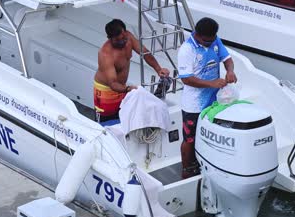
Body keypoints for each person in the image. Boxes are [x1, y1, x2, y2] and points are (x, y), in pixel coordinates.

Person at [177, 17, 237, 178]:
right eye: (207, 41)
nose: (210, 44)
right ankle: (186, 169)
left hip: (214, 103)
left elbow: (227, 59)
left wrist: (230, 71)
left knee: (209, 135)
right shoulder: (187, 50)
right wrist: (211, 84)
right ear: (197, 35)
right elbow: (186, 79)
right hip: (194, 105)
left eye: (212, 41)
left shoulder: (215, 40)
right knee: (189, 139)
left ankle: (206, 162)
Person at [94, 19, 170, 122]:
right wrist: (128, 89)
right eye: (118, 40)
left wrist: (158, 69)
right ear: (109, 38)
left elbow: (145, 53)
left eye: (123, 38)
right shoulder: (105, 54)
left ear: (125, 32)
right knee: (107, 124)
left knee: (125, 119)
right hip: (106, 93)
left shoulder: (128, 37)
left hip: (123, 89)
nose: (123, 42)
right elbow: (112, 83)